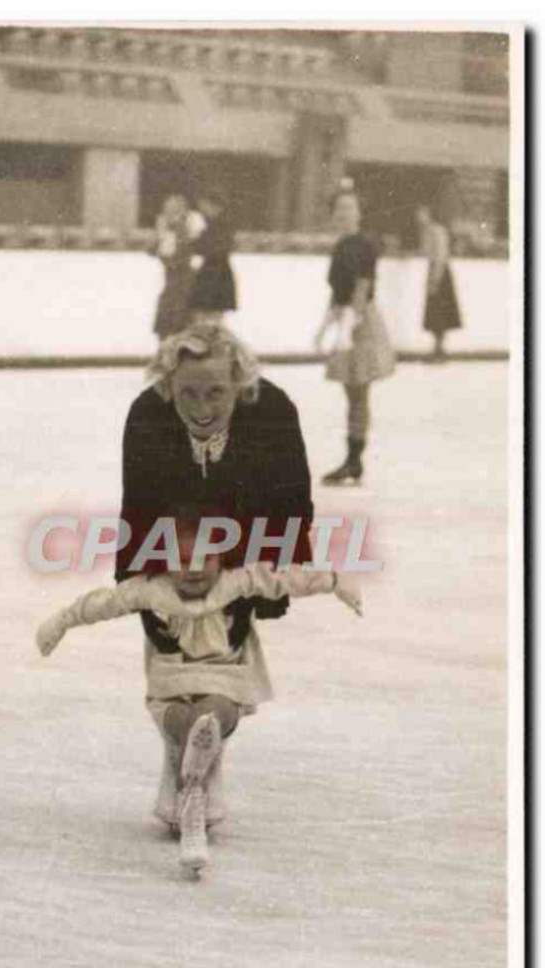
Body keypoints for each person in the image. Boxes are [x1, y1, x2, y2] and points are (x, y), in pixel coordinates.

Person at [37, 524, 362, 876]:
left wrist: (334, 580)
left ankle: (201, 740)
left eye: (204, 558)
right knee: (179, 716)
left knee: (216, 709)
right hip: (172, 681)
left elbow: (286, 579)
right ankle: (195, 745)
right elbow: (102, 603)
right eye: (182, 559)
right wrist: (61, 621)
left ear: (221, 557)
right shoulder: (151, 589)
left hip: (220, 677)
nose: (193, 569)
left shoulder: (236, 582)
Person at [115, 322, 315, 851]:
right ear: (167, 384)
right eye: (187, 392)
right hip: (172, 552)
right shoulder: (147, 416)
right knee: (174, 668)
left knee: (222, 668)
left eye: (216, 392)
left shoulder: (271, 412)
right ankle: (190, 783)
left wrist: (276, 579)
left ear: (240, 383)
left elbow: (293, 499)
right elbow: (137, 508)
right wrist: (142, 591)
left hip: (244, 544)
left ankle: (193, 783)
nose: (201, 406)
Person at [314, 178, 396, 486]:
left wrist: (349, 326)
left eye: (351, 207)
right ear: (334, 214)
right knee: (351, 392)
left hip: (361, 321)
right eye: (340, 208)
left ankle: (354, 459)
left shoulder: (365, 245)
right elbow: (336, 291)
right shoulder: (340, 247)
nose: (346, 212)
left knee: (359, 391)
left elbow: (362, 287)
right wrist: (324, 328)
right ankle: (352, 457)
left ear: (360, 212)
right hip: (345, 318)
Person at [416, 206, 462, 361]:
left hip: (440, 273)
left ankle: (440, 349)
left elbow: (441, 256)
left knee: (440, 312)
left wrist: (435, 279)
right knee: (435, 313)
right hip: (434, 270)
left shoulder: (437, 230)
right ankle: (436, 348)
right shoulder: (427, 231)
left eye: (421, 213)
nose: (418, 216)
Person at [188, 188, 237, 325]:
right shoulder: (208, 224)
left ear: (215, 206)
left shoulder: (222, 225)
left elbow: (216, 248)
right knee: (203, 315)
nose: (202, 209)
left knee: (212, 317)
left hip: (217, 272)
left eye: (205, 205)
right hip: (211, 271)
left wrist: (196, 241)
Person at [151, 194, 195, 341]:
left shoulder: (187, 227)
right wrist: (159, 236)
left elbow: (184, 251)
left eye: (174, 210)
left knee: (179, 310)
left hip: (183, 278)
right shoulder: (165, 229)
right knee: (169, 309)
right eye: (167, 210)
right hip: (170, 278)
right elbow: (153, 250)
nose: (169, 214)